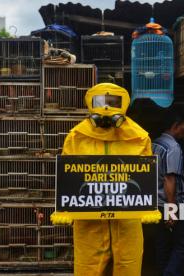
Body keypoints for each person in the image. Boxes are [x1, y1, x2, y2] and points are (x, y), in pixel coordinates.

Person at [57, 83, 152, 276]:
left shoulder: (139, 137)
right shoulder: (76, 137)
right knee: (87, 267)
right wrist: (65, 209)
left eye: (112, 102)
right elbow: (68, 178)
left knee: (129, 265)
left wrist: (147, 207)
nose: (107, 108)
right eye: (101, 102)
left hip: (127, 219)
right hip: (88, 219)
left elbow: (146, 177)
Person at [152, 111, 184, 276]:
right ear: (175, 126)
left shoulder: (155, 143)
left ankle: (163, 272)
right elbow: (170, 179)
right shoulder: (173, 147)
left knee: (162, 243)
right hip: (172, 204)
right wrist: (171, 209)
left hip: (155, 202)